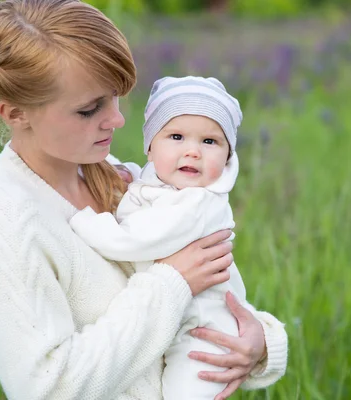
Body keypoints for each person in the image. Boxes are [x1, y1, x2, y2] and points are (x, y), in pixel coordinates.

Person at [0, 1, 288, 399]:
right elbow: (48, 388)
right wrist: (172, 283)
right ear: (15, 113)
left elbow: (207, 293)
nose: (117, 119)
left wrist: (259, 345)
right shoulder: (4, 223)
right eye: (88, 109)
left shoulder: (116, 172)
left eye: (115, 97)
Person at [70, 76, 264, 399]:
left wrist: (86, 222)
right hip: (176, 320)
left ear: (228, 155)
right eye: (176, 136)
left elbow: (136, 240)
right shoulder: (161, 184)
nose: (192, 152)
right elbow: (144, 194)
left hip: (204, 333)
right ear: (150, 147)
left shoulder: (198, 203)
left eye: (210, 142)